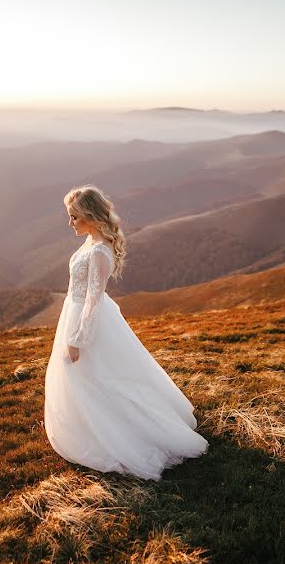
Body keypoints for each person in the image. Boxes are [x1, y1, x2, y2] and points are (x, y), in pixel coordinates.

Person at [44, 185, 208, 480]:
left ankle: (121, 434)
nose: (71, 223)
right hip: (75, 312)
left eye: (75, 217)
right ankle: (87, 426)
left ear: (90, 217)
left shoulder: (99, 252)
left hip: (87, 320)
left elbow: (93, 301)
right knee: (85, 379)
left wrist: (79, 339)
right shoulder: (91, 242)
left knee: (98, 378)